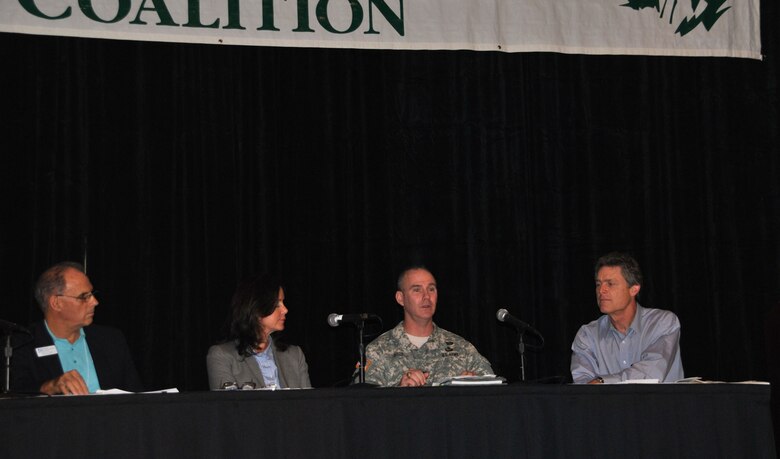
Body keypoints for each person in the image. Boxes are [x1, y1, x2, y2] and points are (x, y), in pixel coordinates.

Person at [10, 262, 143, 394]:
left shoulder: (111, 340)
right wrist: (49, 387)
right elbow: (13, 396)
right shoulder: (20, 344)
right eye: (84, 297)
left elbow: (137, 399)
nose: (95, 302)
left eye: (92, 294)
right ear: (56, 303)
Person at [363, 266, 493, 387]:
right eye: (417, 290)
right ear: (400, 298)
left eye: (431, 289)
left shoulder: (461, 348)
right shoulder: (378, 350)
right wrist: (399, 389)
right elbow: (360, 402)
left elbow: (494, 388)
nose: (426, 296)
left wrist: (474, 383)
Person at [570, 252, 684, 384]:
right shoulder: (587, 335)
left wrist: (603, 382)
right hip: (606, 405)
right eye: (598, 284)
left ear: (634, 289)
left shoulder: (662, 323)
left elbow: (651, 373)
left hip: (658, 404)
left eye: (610, 284)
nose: (601, 291)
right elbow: (583, 387)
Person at [206, 273, 311, 389]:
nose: (285, 310)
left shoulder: (294, 355)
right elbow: (226, 405)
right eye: (277, 304)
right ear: (257, 308)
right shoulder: (222, 356)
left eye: (283, 303)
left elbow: (310, 404)